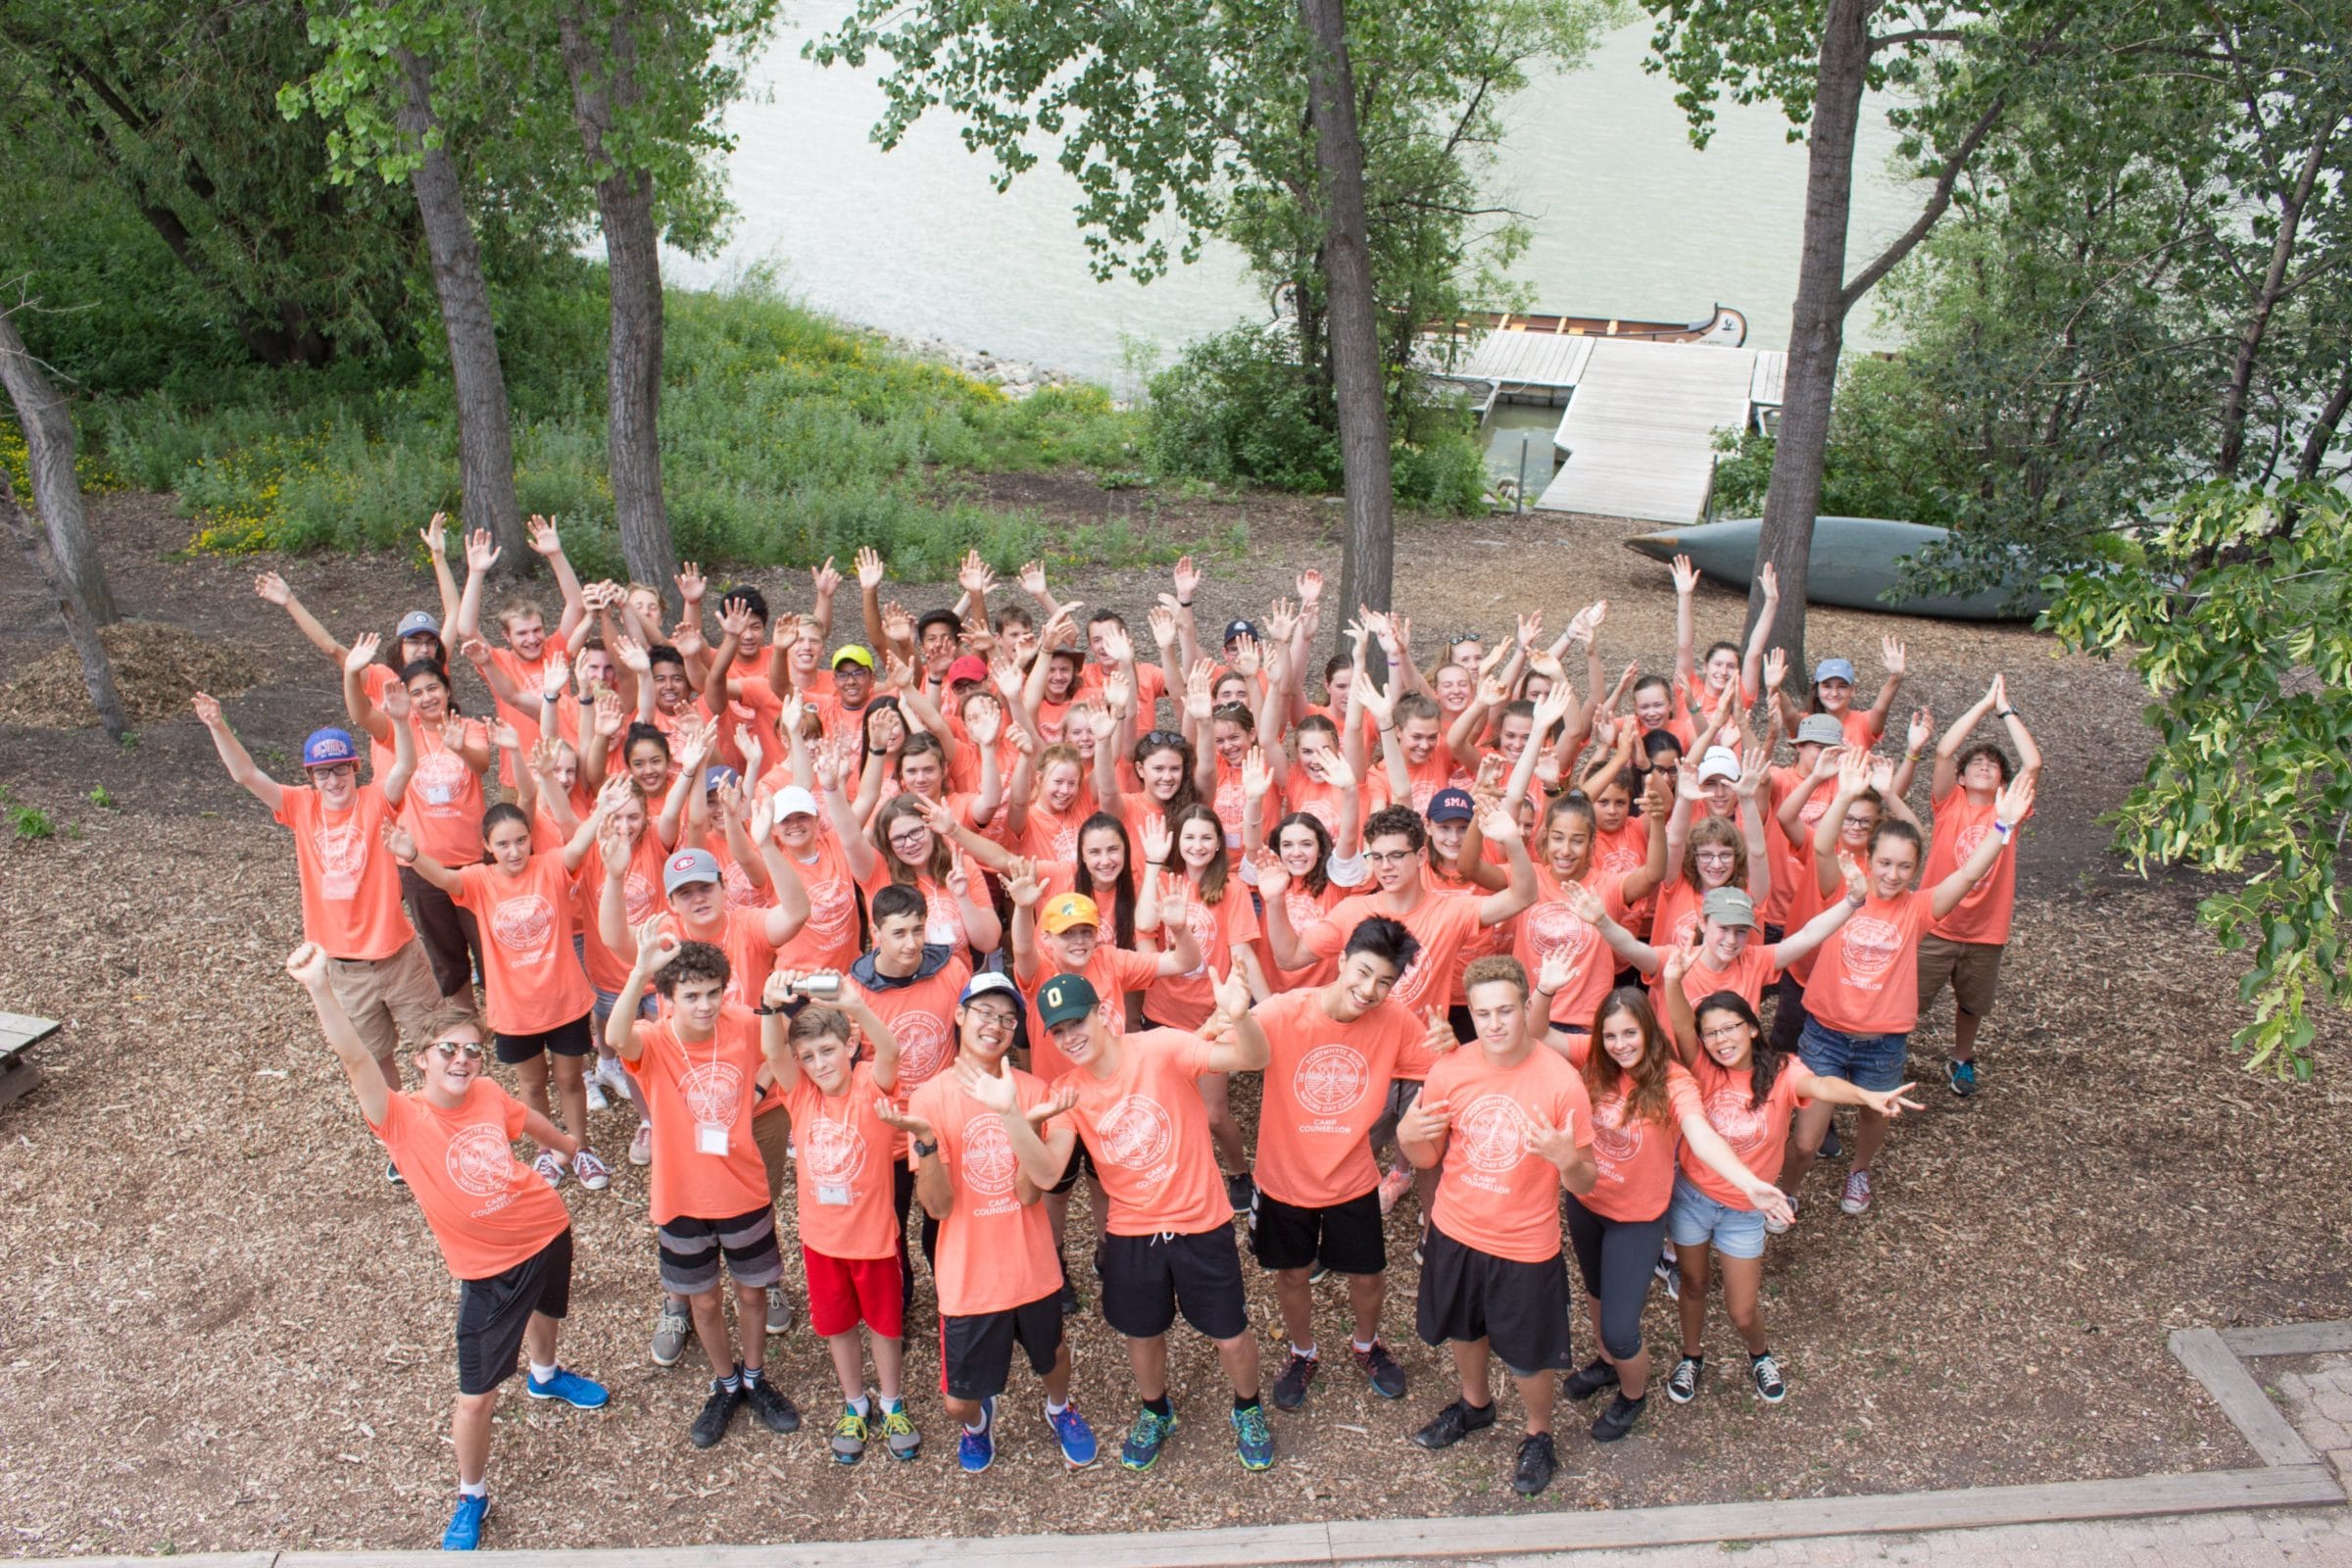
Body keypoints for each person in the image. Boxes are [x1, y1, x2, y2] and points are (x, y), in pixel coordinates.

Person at [285, 944, 607, 1550]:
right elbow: (355, 1059)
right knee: (476, 1398)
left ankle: (544, 1375)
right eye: (448, 1051)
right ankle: (471, 1494)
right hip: (486, 1272)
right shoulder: (400, 1117)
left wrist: (568, 1145)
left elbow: (524, 1120)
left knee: (548, 1309)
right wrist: (320, 988)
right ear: (421, 1060)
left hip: (545, 1227)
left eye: (471, 1051)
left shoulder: (487, 1094)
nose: (462, 1060)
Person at [1008, 971, 1277, 1473]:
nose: (1070, 1038)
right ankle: (1156, 1410)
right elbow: (1045, 1174)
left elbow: (1253, 1058)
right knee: (1141, 1331)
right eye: (1059, 1032)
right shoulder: (1067, 1091)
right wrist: (1018, 1120)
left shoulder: (1161, 1048)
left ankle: (1248, 1407)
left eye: (1077, 1022)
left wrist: (1240, 1018)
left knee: (1230, 1332)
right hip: (1132, 1230)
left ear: (1104, 1014)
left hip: (1200, 1219)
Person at [195, 693, 441, 1182]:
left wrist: (398, 722)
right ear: (311, 777)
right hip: (343, 966)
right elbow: (247, 776)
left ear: (354, 769)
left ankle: (443, 1124)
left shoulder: (375, 800)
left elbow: (405, 766)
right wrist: (218, 726)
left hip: (397, 954)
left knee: (435, 1043)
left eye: (342, 770)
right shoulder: (299, 807)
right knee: (375, 1056)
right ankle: (403, 1142)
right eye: (323, 773)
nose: (334, 780)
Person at [1778, 754, 2036, 1217]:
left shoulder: (1919, 909)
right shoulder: (1845, 890)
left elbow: (1970, 873)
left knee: (1875, 1115)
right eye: (1884, 863)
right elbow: (1820, 849)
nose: (1892, 874)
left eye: (1903, 867)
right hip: (1825, 1037)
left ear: (1915, 870)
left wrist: (2002, 828)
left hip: (1883, 1043)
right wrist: (1845, 793)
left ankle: (1860, 1170)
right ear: (1869, 860)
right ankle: (1787, 1190)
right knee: (1803, 1140)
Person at [1547, 976, 1793, 1443]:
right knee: (1596, 1292)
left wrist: (1749, 1183)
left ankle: (1632, 1395)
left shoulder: (1674, 1080)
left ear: (1649, 1031)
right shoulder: (1595, 1062)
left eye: (1630, 1033)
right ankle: (1605, 1363)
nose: (1621, 1045)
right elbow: (1540, 1034)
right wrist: (1543, 991)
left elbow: (1701, 1134)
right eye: (1611, 1034)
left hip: (1637, 1218)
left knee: (1623, 1330)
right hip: (1587, 1202)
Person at [877, 972, 1102, 1472]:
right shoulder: (929, 1099)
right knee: (959, 1402)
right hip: (968, 1276)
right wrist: (927, 1144)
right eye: (985, 1012)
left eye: (1008, 1017)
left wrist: (1025, 1117)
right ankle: (979, 1424)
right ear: (959, 1015)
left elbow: (1028, 1191)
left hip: (1031, 1265)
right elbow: (938, 1208)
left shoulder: (1036, 1090)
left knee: (1053, 1358)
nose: (996, 1025)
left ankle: (1059, 1409)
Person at [1657, 986, 1921, 1405]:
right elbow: (1676, 1022)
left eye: (1731, 1028)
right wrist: (1672, 979)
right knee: (1693, 1283)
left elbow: (1820, 1084)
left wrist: (1865, 1095)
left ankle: (1759, 1354)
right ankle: (1691, 1356)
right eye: (1711, 1033)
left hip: (1745, 1209)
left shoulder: (1782, 1070)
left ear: (1753, 1028)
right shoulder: (1699, 1067)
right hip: (1694, 1198)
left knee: (1742, 1310)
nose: (1721, 1040)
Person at [1397, 956, 1593, 1497]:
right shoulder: (1450, 1069)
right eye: (1483, 1014)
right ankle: (1475, 1404)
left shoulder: (1561, 1082)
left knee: (1530, 1354)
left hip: (1525, 1243)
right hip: (1455, 1232)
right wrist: (1407, 1130)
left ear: (1527, 1006)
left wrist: (1565, 1159)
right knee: (1465, 1329)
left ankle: (1538, 1434)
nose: (1496, 1024)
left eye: (1506, 1010)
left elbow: (1585, 1183)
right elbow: (1426, 1155)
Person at [1245, 916, 1452, 1411]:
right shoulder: (1281, 1012)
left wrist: (1453, 1049)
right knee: (1292, 1273)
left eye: (1385, 981)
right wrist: (1232, 1017)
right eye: (1362, 973)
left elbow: (1445, 1076)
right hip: (1284, 1178)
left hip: (1353, 1176)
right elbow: (1218, 1047)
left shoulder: (1397, 1020)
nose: (1369, 990)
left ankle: (1367, 1344)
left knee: (1369, 1275)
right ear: (1340, 962)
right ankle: (1302, 1351)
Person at [607, 934, 803, 1446]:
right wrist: (639, 969)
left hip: (742, 1188)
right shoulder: (652, 1040)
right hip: (681, 1196)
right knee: (705, 1303)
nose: (704, 1005)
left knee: (752, 1292)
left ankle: (756, 1377)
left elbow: (779, 1048)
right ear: (667, 998)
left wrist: (771, 1021)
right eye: (690, 995)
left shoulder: (740, 1024)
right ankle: (725, 1382)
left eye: (713, 992)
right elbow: (614, 1034)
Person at [386, 802, 609, 1191]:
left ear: (531, 840)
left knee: (570, 1079)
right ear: (487, 846)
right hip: (515, 1010)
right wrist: (413, 855)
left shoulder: (551, 866)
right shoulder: (479, 880)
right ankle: (545, 1152)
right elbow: (443, 879)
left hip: (565, 1001)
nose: (514, 851)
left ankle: (580, 1149)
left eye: (521, 840)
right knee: (532, 1083)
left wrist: (602, 809)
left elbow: (578, 846)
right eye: (503, 844)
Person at [758, 972, 920, 1465]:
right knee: (838, 1326)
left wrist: (857, 1007)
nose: (818, 1064)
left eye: (827, 1050)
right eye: (808, 1056)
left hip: (873, 1240)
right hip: (822, 1242)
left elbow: (890, 1051)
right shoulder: (802, 1094)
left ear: (849, 1044)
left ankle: (891, 1402)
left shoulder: (871, 1082)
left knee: (885, 1326)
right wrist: (768, 1008)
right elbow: (774, 1056)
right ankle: (855, 1402)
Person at [1919, 674, 2042, 1096]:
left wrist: (2005, 710)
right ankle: (1886, 1052)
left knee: (1972, 1003)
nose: (1985, 766)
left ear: (2003, 782)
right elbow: (1943, 749)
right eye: (1976, 764)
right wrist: (1983, 703)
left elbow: (2034, 764)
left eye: (1993, 765)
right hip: (1935, 923)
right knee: (1907, 999)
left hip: (1985, 931)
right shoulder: (1947, 803)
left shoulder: (2009, 810)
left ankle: (1961, 1059)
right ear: (1960, 779)